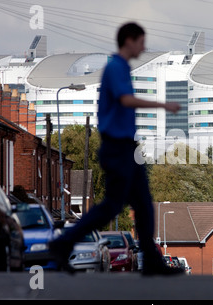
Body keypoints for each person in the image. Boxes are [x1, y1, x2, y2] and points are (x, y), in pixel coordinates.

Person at [50, 22, 183, 275]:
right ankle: (62, 243)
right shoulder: (115, 67)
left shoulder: (120, 67)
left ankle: (152, 263)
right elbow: (125, 99)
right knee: (112, 206)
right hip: (117, 148)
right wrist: (163, 106)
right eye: (142, 42)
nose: (144, 47)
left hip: (125, 148)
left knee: (143, 205)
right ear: (130, 41)